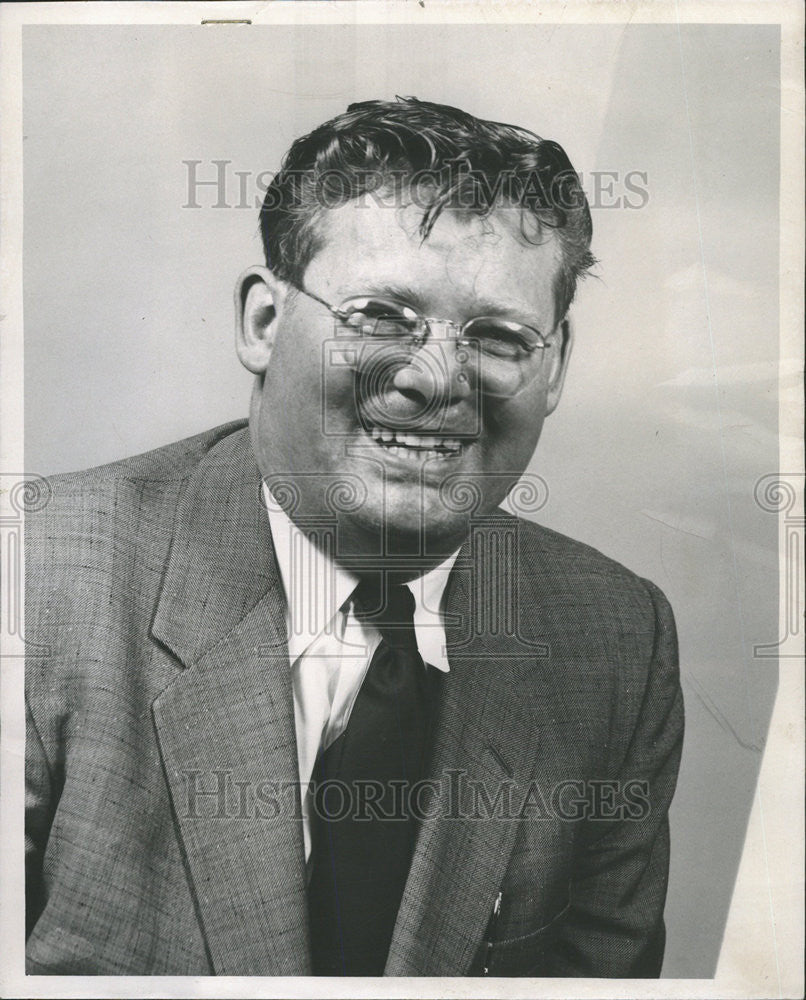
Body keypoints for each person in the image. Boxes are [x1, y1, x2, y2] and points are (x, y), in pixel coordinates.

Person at [24, 97, 684, 977]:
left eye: (498, 335)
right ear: (262, 324)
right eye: (380, 315)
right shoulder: (36, 584)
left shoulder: (616, 639)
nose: (436, 380)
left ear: (555, 364)